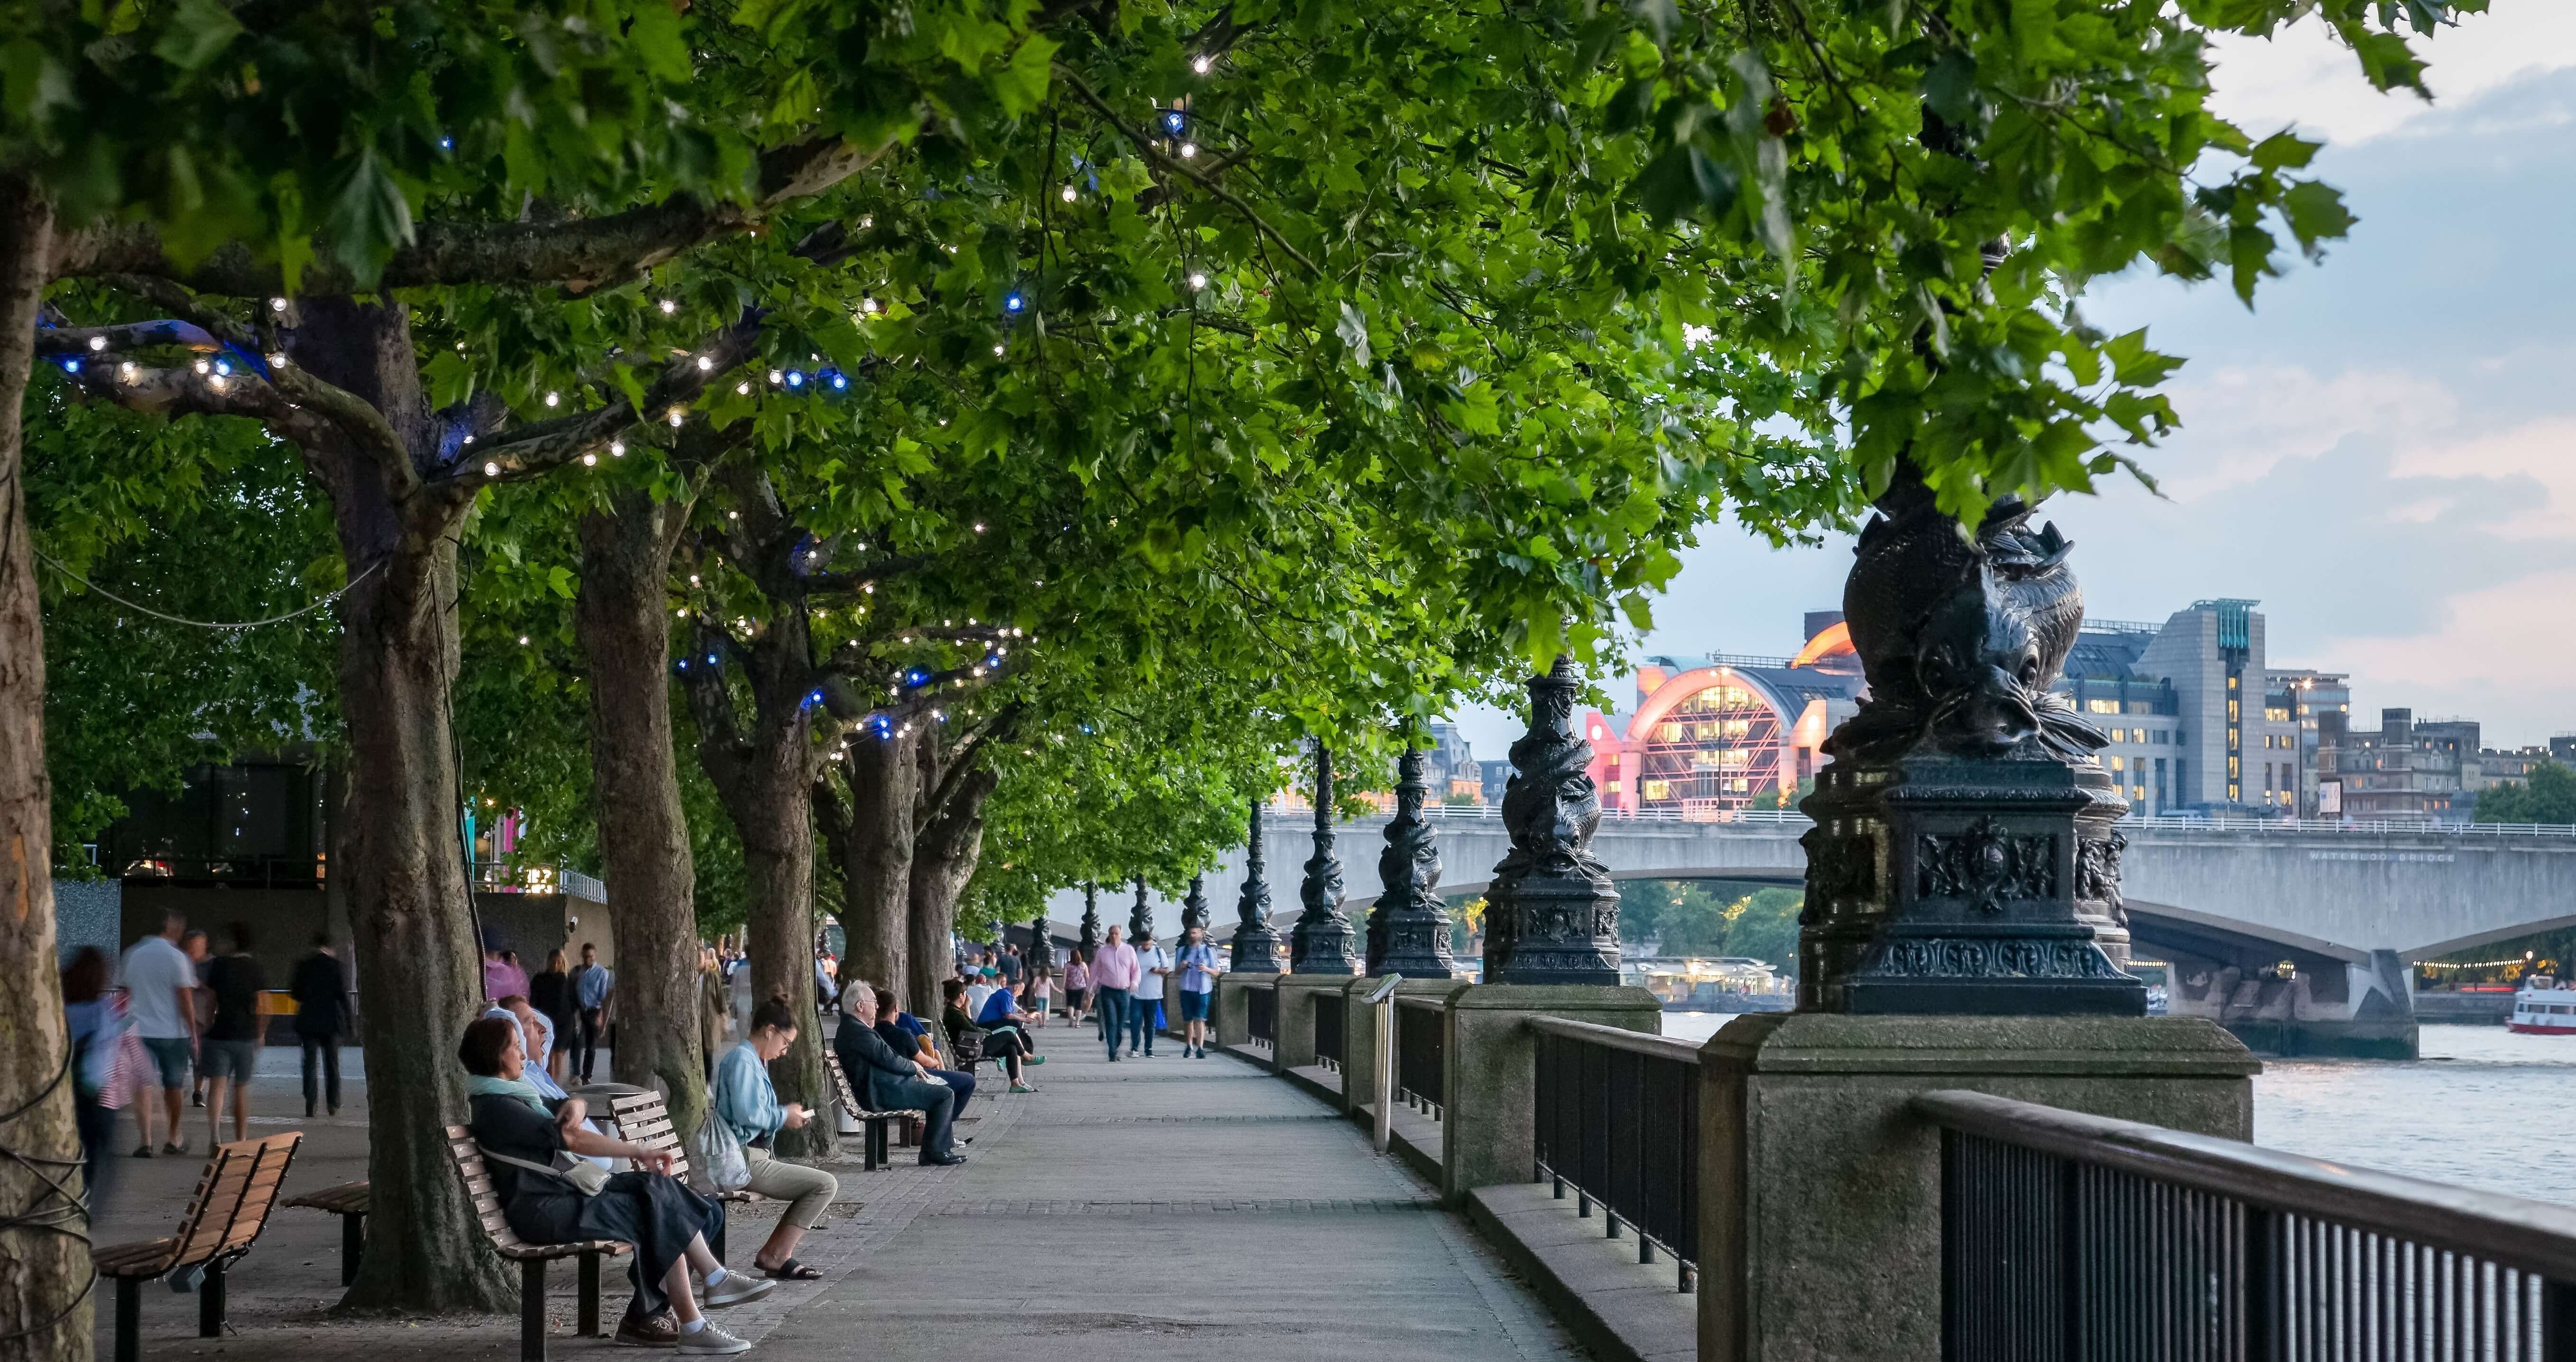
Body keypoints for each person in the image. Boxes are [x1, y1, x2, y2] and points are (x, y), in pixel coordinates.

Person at [459, 1017, 769, 1353]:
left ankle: (711, 1281)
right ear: (496, 1056)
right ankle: (693, 1320)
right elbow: (572, 1137)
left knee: (653, 1188)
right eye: (515, 1047)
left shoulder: (515, 1095)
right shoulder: (498, 1107)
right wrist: (637, 1150)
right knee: (654, 1210)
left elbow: (567, 1106)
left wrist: (576, 1105)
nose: (523, 1054)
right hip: (545, 1210)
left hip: (564, 1195)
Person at [712, 996, 843, 1281]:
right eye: (786, 1042)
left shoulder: (751, 1061)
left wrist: (786, 1115)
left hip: (749, 1155)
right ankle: (776, 1255)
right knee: (824, 1184)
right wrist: (784, 1116)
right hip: (742, 1159)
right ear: (770, 1031)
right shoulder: (742, 1061)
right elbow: (748, 1114)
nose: (785, 1050)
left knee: (821, 1184)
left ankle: (776, 1253)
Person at [834, 983, 967, 1165]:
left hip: (880, 1087)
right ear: (860, 1006)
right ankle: (934, 1151)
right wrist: (915, 1067)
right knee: (944, 1095)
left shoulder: (854, 1028)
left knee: (940, 1091)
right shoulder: (859, 1032)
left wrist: (913, 1069)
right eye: (873, 1001)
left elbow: (887, 1057)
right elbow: (890, 1059)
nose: (877, 1006)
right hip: (880, 1092)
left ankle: (937, 1150)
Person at [120, 912, 198, 1156]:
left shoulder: (132, 954)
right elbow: (185, 998)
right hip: (173, 1033)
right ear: (172, 928)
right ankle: (174, 1138)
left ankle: (145, 1141)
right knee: (173, 1086)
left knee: (142, 1085)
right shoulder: (177, 957)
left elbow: (126, 995)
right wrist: (194, 1033)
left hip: (139, 1031)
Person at [62, 948, 124, 1197]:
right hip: (91, 1092)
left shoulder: (60, 1007)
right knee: (94, 1154)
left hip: (60, 1088)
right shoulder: (102, 1010)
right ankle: (84, 1199)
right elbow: (109, 1050)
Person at [200, 922, 266, 1148]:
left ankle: (215, 1136)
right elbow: (263, 1004)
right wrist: (261, 1033)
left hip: (220, 1033)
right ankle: (241, 1140)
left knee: (217, 1086)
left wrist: (208, 1024)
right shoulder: (255, 968)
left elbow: (210, 1000)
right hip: (245, 1035)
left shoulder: (219, 965)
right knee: (241, 1088)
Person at [871, 986, 974, 1114]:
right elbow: (925, 1061)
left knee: (945, 1092)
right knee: (964, 1083)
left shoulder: (870, 1034)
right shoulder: (903, 1034)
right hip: (909, 1083)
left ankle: (941, 1126)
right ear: (896, 1008)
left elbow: (930, 1047)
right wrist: (936, 1063)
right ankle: (943, 1124)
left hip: (880, 1090)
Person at [288, 934, 351, 1117]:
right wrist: (350, 1023)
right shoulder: (337, 966)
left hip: (308, 1022)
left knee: (309, 1062)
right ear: (330, 948)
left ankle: (311, 1101)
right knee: (332, 1063)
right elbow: (343, 996)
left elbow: (295, 993)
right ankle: (333, 1103)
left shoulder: (303, 966)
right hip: (331, 1023)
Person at [943, 980, 1036, 1092]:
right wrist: (988, 1033)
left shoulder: (954, 1011)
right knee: (1008, 1034)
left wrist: (967, 1008)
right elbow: (972, 1029)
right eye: (965, 994)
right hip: (972, 1047)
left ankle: (1015, 1083)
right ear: (961, 996)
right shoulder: (955, 1013)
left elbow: (971, 1026)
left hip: (971, 1044)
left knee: (1011, 1047)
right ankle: (1026, 1056)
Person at [1090, 926, 1140, 1062]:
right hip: (1108, 991)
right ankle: (1112, 1052)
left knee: (1120, 1024)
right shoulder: (1102, 952)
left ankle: (1115, 1046)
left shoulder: (1129, 950)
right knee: (1111, 1021)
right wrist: (1090, 989)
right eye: (1111, 934)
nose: (1114, 936)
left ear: (1121, 934)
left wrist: (1135, 982)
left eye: (1116, 934)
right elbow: (1095, 971)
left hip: (1124, 992)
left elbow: (1136, 970)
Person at [528, 948, 576, 1085]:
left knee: (559, 1054)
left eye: (559, 963)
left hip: (564, 1023)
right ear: (548, 962)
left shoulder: (568, 980)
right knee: (548, 1054)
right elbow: (534, 1001)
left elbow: (574, 1002)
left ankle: (556, 1084)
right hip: (546, 1021)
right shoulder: (540, 979)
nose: (556, 966)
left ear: (563, 963)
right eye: (553, 962)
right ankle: (549, 1084)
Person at [1174, 924, 1223, 1058]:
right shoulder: (1182, 951)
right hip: (1186, 988)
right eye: (1190, 933)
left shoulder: (1209, 951)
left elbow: (1216, 973)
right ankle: (1189, 1045)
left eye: (1195, 933)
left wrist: (1206, 969)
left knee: (1200, 1019)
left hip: (1203, 989)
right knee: (1188, 1019)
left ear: (1202, 935)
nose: (1192, 936)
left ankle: (1200, 1047)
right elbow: (1176, 972)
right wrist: (1181, 967)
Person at [572, 941, 614, 1083]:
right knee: (576, 1042)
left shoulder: (601, 973)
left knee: (591, 1045)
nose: (588, 960)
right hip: (580, 1010)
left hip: (594, 1010)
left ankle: (587, 1075)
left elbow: (603, 997)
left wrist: (603, 1018)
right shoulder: (579, 971)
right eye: (586, 957)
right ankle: (575, 1073)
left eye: (591, 957)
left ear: (595, 956)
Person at [1128, 929, 1172, 1058]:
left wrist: (1158, 970)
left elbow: (1167, 970)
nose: (1147, 946)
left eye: (1149, 944)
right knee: (1136, 1021)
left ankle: (1149, 1049)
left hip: (1154, 994)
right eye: (1144, 944)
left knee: (1150, 1023)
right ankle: (1135, 1048)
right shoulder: (1136, 952)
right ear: (1141, 943)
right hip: (1137, 993)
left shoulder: (1159, 952)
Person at [699, 946, 730, 1079]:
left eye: (699, 958)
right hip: (693, 1021)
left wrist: (724, 1017)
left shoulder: (711, 977)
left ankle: (708, 1082)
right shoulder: (687, 978)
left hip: (708, 1019)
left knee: (707, 1053)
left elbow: (720, 998)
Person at [481, 927, 528, 1004]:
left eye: (493, 953)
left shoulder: (512, 971)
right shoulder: (514, 971)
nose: (493, 957)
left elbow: (521, 1001)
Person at [1021, 946, 1053, 1028]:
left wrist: (1035, 991)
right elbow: (1053, 986)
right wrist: (1060, 991)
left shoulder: (1038, 978)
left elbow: (1034, 985)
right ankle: (1044, 1024)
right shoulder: (1049, 979)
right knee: (1044, 1011)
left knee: (1039, 1010)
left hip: (1038, 995)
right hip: (1045, 995)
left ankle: (1039, 1023)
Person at [1064, 951, 1091, 1025]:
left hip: (1070, 987)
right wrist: (1089, 987)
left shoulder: (1068, 966)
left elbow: (1065, 977)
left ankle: (1071, 1019)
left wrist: (1063, 987)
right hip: (1081, 987)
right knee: (1079, 1005)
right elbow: (1087, 977)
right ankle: (1078, 1023)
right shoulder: (1083, 965)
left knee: (1070, 1004)